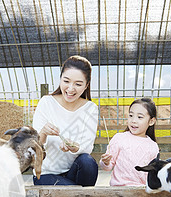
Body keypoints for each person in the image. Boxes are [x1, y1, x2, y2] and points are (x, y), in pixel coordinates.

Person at [32, 55, 98, 186]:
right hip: (46, 173)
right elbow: (35, 145)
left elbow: (87, 146)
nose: (70, 88)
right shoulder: (46, 103)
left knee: (88, 162)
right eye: (66, 81)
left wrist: (74, 147)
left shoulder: (90, 108)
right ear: (60, 79)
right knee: (76, 193)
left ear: (86, 85)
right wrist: (44, 133)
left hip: (73, 170)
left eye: (78, 84)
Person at [99, 98, 159, 186]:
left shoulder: (153, 146)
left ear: (151, 121)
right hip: (118, 190)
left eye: (139, 117)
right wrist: (105, 162)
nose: (133, 120)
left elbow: (153, 174)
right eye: (131, 115)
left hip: (142, 192)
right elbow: (107, 167)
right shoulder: (119, 138)